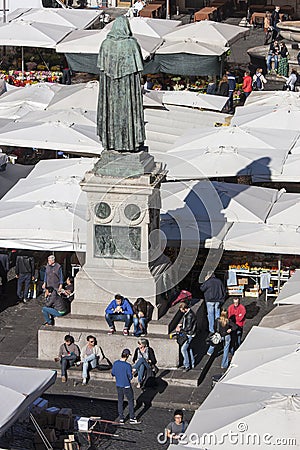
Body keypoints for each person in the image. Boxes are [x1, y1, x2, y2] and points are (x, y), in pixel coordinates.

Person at [97, 16, 145, 152]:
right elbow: (138, 71)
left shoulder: (105, 44)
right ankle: (131, 142)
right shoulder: (132, 44)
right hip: (128, 89)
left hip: (111, 90)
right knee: (129, 113)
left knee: (111, 113)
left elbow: (102, 70)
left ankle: (111, 142)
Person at [111, 348, 140, 424]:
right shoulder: (128, 365)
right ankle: (132, 418)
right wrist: (133, 372)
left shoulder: (115, 363)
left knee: (120, 401)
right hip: (126, 385)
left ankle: (121, 418)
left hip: (118, 385)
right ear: (127, 356)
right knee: (130, 401)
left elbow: (113, 373)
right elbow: (130, 377)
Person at [176, 301, 197, 372]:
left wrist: (180, 329)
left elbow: (188, 327)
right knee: (189, 348)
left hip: (189, 334)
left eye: (181, 310)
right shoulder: (188, 313)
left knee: (183, 349)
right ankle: (192, 363)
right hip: (190, 333)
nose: (181, 311)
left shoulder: (190, 315)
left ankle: (187, 365)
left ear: (184, 308)